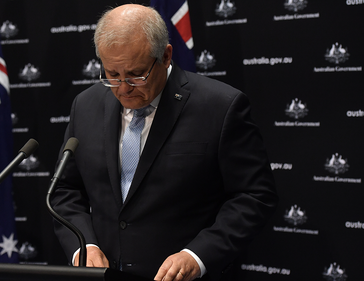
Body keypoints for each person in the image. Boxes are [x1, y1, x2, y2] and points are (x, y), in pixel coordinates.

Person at [51, 4, 277, 281]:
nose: (123, 88)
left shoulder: (220, 107)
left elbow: (254, 196)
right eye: (112, 74)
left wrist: (198, 255)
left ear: (166, 56)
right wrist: (84, 245)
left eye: (136, 74)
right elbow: (65, 190)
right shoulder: (85, 105)